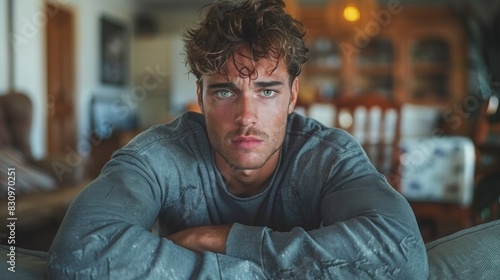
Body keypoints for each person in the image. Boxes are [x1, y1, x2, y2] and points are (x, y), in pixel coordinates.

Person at [48, 0, 428, 278]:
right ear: (201, 96)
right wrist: (243, 273)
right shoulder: (156, 154)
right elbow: (78, 252)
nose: (246, 117)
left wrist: (222, 239)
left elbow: (404, 253)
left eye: (266, 92)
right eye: (225, 92)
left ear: (292, 95)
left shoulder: (328, 156)